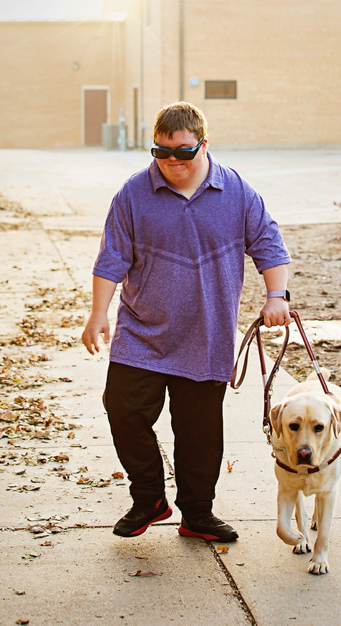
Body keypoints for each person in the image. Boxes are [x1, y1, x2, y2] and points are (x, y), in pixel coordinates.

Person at [82, 101, 292, 542]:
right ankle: (149, 499)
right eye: (160, 152)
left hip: (207, 335)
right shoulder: (133, 194)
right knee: (122, 411)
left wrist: (276, 296)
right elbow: (111, 258)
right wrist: (98, 313)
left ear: (204, 143)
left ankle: (197, 515)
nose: (171, 162)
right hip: (142, 332)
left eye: (182, 151)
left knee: (198, 433)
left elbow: (269, 245)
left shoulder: (236, 192)